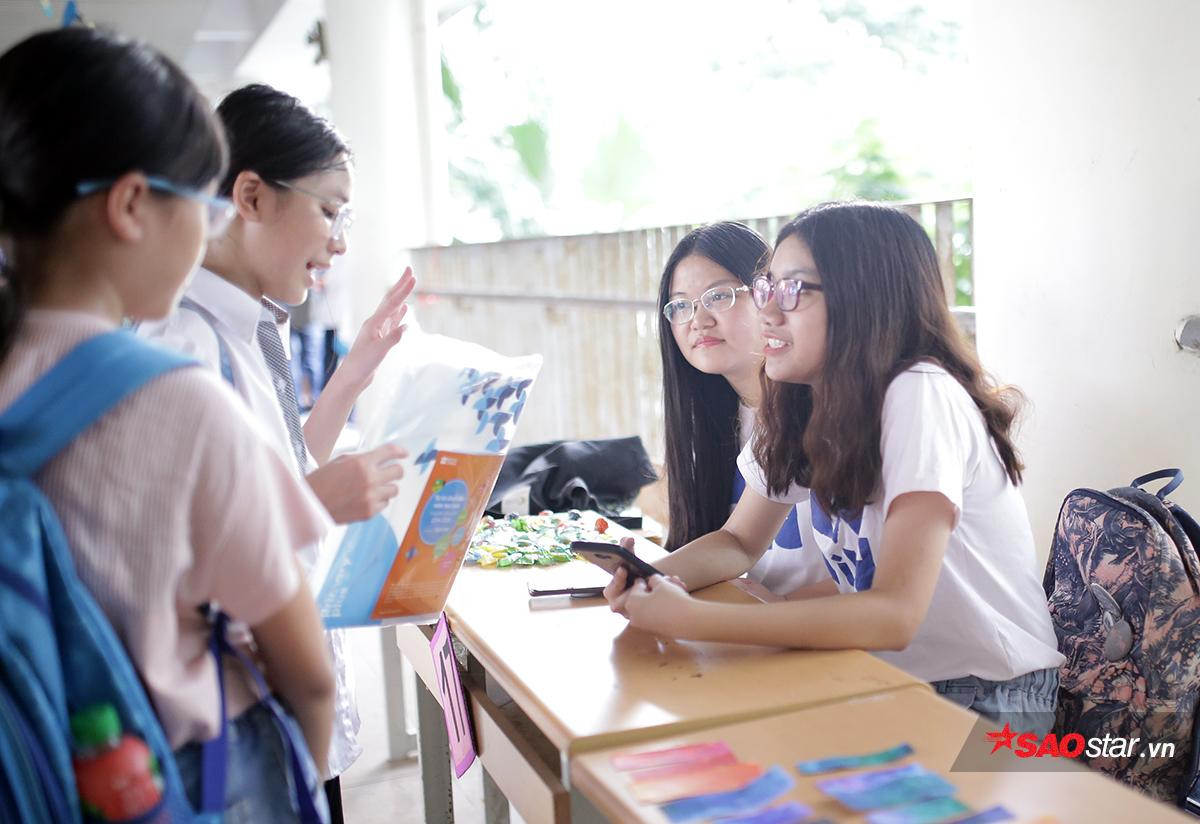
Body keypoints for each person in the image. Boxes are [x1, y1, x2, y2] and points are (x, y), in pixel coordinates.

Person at [0, 27, 335, 818]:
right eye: (205, 204)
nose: (210, 231)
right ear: (131, 205)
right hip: (180, 785)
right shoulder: (179, 403)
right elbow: (309, 675)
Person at [607, 202, 1065, 733]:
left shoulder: (920, 392)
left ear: (865, 299)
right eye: (766, 289)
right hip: (881, 672)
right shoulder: (804, 399)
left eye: (793, 290)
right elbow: (738, 542)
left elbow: (894, 614)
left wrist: (695, 619)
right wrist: (646, 579)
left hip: (989, 696)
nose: (769, 313)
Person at [138, 82, 413, 816]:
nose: (341, 239)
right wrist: (317, 501)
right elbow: (178, 557)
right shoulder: (184, 345)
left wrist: (351, 376)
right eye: (329, 209)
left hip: (294, 702)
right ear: (251, 197)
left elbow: (275, 468)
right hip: (252, 709)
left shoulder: (250, 325)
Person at [656, 222, 826, 594]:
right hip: (762, 624)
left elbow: (871, 585)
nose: (698, 320)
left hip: (820, 634)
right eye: (681, 305)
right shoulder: (711, 422)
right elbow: (737, 543)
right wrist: (639, 577)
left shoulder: (821, 409)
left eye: (718, 297)